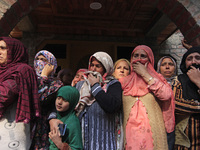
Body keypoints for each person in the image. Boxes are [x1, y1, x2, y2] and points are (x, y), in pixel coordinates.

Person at [119, 45, 175, 150]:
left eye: (143, 56)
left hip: (153, 137)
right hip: (130, 137)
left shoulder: (157, 79)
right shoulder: (124, 82)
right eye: (136, 56)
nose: (139, 59)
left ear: (150, 60)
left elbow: (166, 95)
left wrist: (145, 74)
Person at [0, 37, 40, 149]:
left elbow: (4, 94)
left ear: (14, 51)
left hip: (12, 129)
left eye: (3, 48)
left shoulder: (22, 70)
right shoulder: (3, 71)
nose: (0, 52)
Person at [32, 50, 63, 149]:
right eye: (38, 59)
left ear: (51, 65)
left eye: (44, 60)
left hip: (45, 127)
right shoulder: (30, 79)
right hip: (29, 124)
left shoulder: (56, 84)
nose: (39, 62)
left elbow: (40, 99)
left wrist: (43, 77)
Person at [172, 46, 200, 150]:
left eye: (197, 58)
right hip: (184, 143)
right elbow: (175, 105)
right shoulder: (178, 80)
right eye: (189, 59)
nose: (194, 62)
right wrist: (197, 107)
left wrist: (198, 81)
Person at [49, 86, 83, 150]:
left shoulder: (72, 122)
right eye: (58, 98)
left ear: (72, 103)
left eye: (64, 100)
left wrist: (60, 145)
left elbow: (77, 147)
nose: (59, 102)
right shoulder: (56, 116)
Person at [157, 55, 177, 150]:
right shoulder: (154, 83)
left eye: (170, 64)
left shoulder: (180, 83)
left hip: (177, 125)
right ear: (159, 68)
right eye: (163, 64)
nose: (167, 67)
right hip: (158, 124)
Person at [113, 58, 131, 150]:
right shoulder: (108, 86)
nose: (122, 70)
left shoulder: (133, 87)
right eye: (118, 67)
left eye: (126, 68)